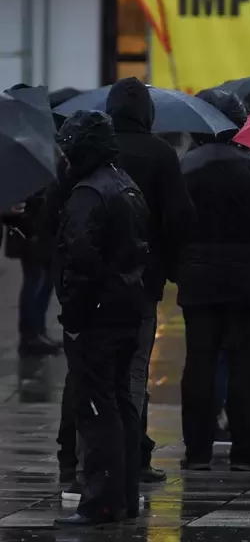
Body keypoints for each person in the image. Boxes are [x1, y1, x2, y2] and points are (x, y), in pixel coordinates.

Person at [175, 91, 250, 472]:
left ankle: (197, 451)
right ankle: (246, 448)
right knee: (245, 365)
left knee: (199, 363)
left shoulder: (184, 168)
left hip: (197, 281)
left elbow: (167, 225)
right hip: (247, 282)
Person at [49, 111, 150, 527]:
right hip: (127, 309)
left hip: (98, 317)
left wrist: (73, 316)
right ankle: (123, 495)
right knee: (123, 403)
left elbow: (80, 260)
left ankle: (101, 501)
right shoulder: (126, 185)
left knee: (96, 408)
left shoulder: (88, 194)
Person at [105, 76, 196, 483]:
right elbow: (180, 218)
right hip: (143, 278)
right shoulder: (160, 154)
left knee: (89, 371)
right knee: (135, 369)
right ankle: (133, 454)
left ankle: (80, 457)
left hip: (92, 281)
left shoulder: (96, 150)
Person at [3, 189, 59, 354]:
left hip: (46, 232)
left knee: (47, 282)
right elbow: (10, 212)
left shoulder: (48, 173)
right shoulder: (22, 178)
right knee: (34, 282)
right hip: (30, 234)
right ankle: (29, 336)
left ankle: (39, 331)